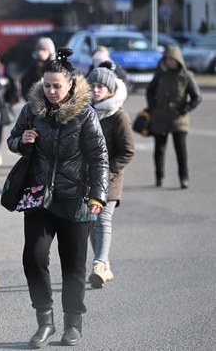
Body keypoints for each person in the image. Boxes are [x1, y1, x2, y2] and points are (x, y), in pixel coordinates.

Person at [7, 47, 109, 347]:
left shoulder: (85, 115)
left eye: (57, 86)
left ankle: (73, 324)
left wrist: (97, 196)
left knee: (73, 266)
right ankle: (45, 321)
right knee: (33, 258)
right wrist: (21, 141)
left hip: (76, 198)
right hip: (39, 197)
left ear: (70, 86)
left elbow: (100, 157)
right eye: (47, 85)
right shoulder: (31, 110)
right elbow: (13, 139)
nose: (51, 91)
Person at [86, 63, 135, 289]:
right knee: (90, 222)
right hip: (87, 178)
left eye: (101, 86)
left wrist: (107, 170)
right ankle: (104, 264)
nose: (96, 90)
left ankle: (98, 264)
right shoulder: (86, 111)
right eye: (93, 85)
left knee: (103, 220)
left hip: (110, 178)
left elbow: (128, 150)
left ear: (110, 90)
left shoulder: (118, 115)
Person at [146, 45, 201, 189]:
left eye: (172, 60)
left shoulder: (187, 76)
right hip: (160, 118)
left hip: (179, 119)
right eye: (167, 59)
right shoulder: (160, 74)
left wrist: (185, 109)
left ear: (178, 60)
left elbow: (197, 97)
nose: (170, 62)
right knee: (159, 149)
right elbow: (149, 91)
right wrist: (153, 107)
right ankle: (159, 176)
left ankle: (184, 178)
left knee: (180, 150)